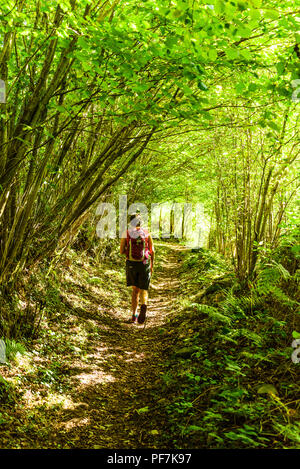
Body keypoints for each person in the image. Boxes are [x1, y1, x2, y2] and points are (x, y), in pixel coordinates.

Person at [120, 213, 155, 324]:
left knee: (135, 290)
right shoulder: (146, 233)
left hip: (131, 264)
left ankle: (134, 315)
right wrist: (152, 265)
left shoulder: (126, 233)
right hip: (144, 264)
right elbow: (152, 251)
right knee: (143, 289)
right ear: (141, 222)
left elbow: (121, 251)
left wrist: (128, 253)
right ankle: (143, 305)